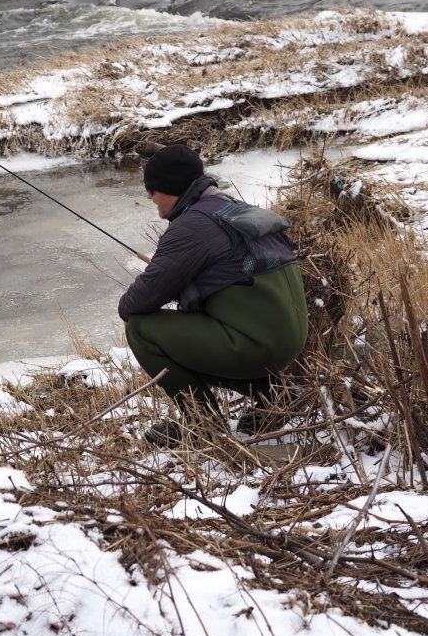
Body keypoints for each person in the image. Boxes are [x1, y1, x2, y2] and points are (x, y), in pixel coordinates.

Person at [119, 144, 308, 446]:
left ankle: (203, 425)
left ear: (170, 188)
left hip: (259, 347)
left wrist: (162, 277)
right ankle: (275, 395)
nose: (150, 196)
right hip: (290, 339)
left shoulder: (191, 227)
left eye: (152, 189)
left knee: (143, 329)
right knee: (204, 324)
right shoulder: (230, 207)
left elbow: (137, 303)